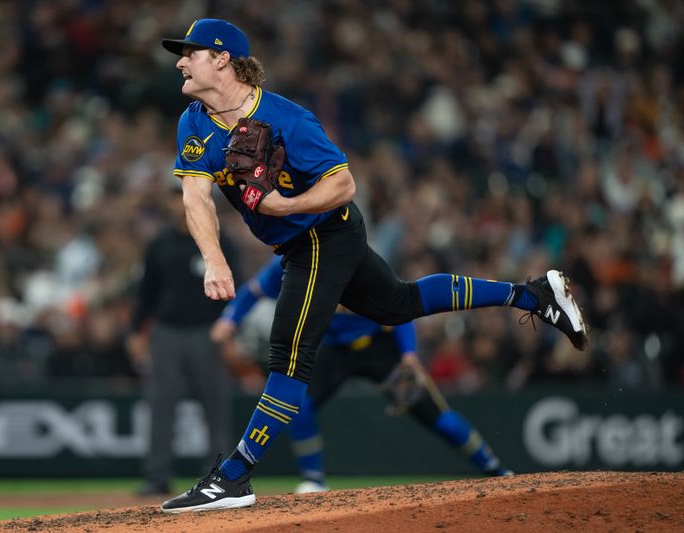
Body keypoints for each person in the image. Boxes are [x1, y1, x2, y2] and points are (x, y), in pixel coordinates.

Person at [159, 18, 587, 512]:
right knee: (398, 304)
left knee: (288, 354)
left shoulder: (288, 119)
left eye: (190, 52)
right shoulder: (192, 120)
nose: (180, 61)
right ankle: (533, 294)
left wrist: (282, 206)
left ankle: (232, 478)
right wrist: (214, 260)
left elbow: (343, 184)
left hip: (324, 232)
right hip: (305, 242)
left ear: (222, 59)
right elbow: (195, 197)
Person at [210, 256, 513, 494]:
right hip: (331, 351)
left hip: (378, 350)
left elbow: (401, 304)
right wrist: (230, 318)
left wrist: (408, 354)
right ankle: (314, 480)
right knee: (299, 406)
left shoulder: (355, 258)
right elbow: (253, 291)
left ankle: (494, 468)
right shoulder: (289, 262)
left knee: (435, 416)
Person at [127, 182, 240, 496]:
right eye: (175, 195)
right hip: (167, 333)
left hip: (209, 332)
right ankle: (157, 476)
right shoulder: (159, 245)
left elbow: (235, 289)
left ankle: (218, 477)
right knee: (161, 406)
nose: (181, 202)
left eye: (184, 194)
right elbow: (146, 294)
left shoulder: (219, 242)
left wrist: (232, 330)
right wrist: (137, 331)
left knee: (215, 405)